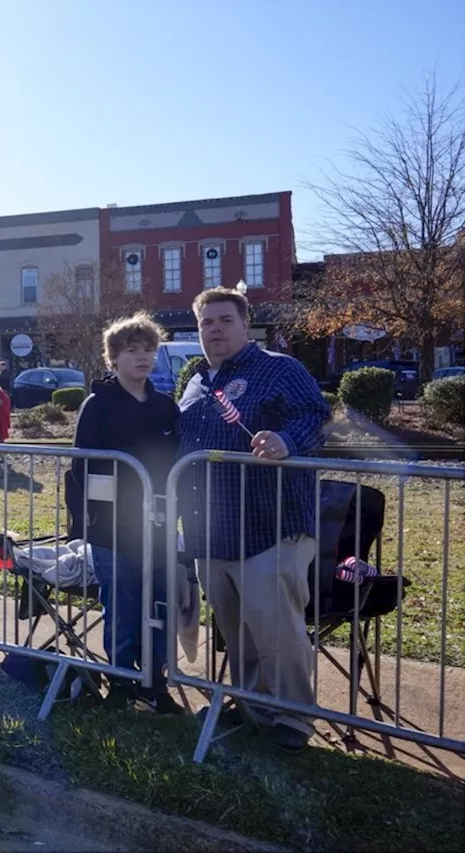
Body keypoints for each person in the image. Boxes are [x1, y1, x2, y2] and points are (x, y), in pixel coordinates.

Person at [177, 287, 331, 754]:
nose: (215, 329)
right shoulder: (196, 382)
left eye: (225, 320)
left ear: (247, 325)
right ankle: (251, 705)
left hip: (271, 525)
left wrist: (288, 440)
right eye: (207, 322)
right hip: (212, 531)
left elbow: (317, 418)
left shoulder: (280, 368)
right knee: (236, 630)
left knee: (275, 627)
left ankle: (293, 719)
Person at [69, 313, 182, 713]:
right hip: (112, 529)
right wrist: (87, 521)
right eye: (132, 350)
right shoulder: (97, 405)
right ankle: (121, 681)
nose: (143, 357)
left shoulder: (167, 406)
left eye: (149, 349)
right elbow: (81, 466)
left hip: (159, 526)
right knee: (122, 604)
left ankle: (155, 683)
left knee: (160, 605)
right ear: (114, 357)